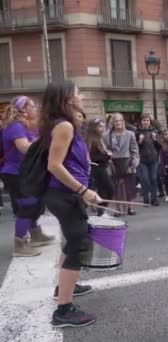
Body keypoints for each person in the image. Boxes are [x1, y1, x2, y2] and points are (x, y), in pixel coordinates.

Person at [40, 82, 96, 327]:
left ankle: (62, 287)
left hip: (63, 194)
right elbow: (54, 165)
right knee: (79, 244)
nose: (81, 96)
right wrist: (83, 190)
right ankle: (63, 310)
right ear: (68, 100)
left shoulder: (62, 124)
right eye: (77, 93)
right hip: (64, 194)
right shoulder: (63, 126)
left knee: (74, 241)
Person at [0, 96, 53, 256]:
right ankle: (20, 243)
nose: (36, 108)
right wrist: (45, 144)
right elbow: (24, 147)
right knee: (28, 206)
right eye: (32, 106)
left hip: (27, 173)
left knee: (36, 204)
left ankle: (36, 234)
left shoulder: (30, 127)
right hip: (15, 174)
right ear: (23, 110)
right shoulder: (16, 126)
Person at [104, 113, 139, 216]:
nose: (118, 123)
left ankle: (130, 207)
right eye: (116, 121)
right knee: (115, 186)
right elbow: (104, 150)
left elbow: (134, 150)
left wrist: (134, 162)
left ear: (123, 122)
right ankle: (118, 209)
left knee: (129, 186)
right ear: (113, 123)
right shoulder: (106, 135)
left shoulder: (130, 134)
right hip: (113, 162)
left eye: (120, 121)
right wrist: (107, 157)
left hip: (127, 161)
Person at [85, 118, 113, 217]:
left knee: (104, 190)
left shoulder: (99, 139)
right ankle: (100, 210)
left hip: (101, 168)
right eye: (100, 126)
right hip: (96, 169)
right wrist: (107, 156)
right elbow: (92, 157)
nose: (103, 129)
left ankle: (100, 211)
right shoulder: (91, 140)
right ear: (94, 128)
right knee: (109, 189)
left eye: (104, 126)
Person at [136, 114, 161, 206]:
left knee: (154, 179)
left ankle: (154, 199)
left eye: (147, 120)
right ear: (141, 122)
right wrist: (140, 141)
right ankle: (146, 199)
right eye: (144, 120)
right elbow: (135, 146)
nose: (146, 122)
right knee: (145, 179)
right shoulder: (137, 131)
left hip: (154, 158)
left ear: (150, 121)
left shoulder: (154, 131)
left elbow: (159, 146)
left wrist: (155, 139)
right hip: (143, 159)